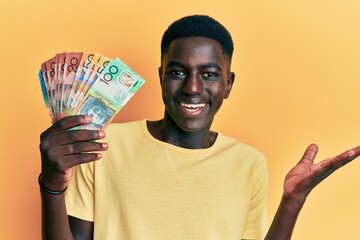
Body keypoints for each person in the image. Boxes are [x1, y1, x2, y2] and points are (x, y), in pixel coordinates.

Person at [39, 15, 360, 240]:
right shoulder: (101, 146)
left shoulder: (249, 163)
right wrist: (52, 183)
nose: (192, 87)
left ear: (228, 83)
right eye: (178, 72)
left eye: (209, 74)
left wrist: (293, 200)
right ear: (162, 75)